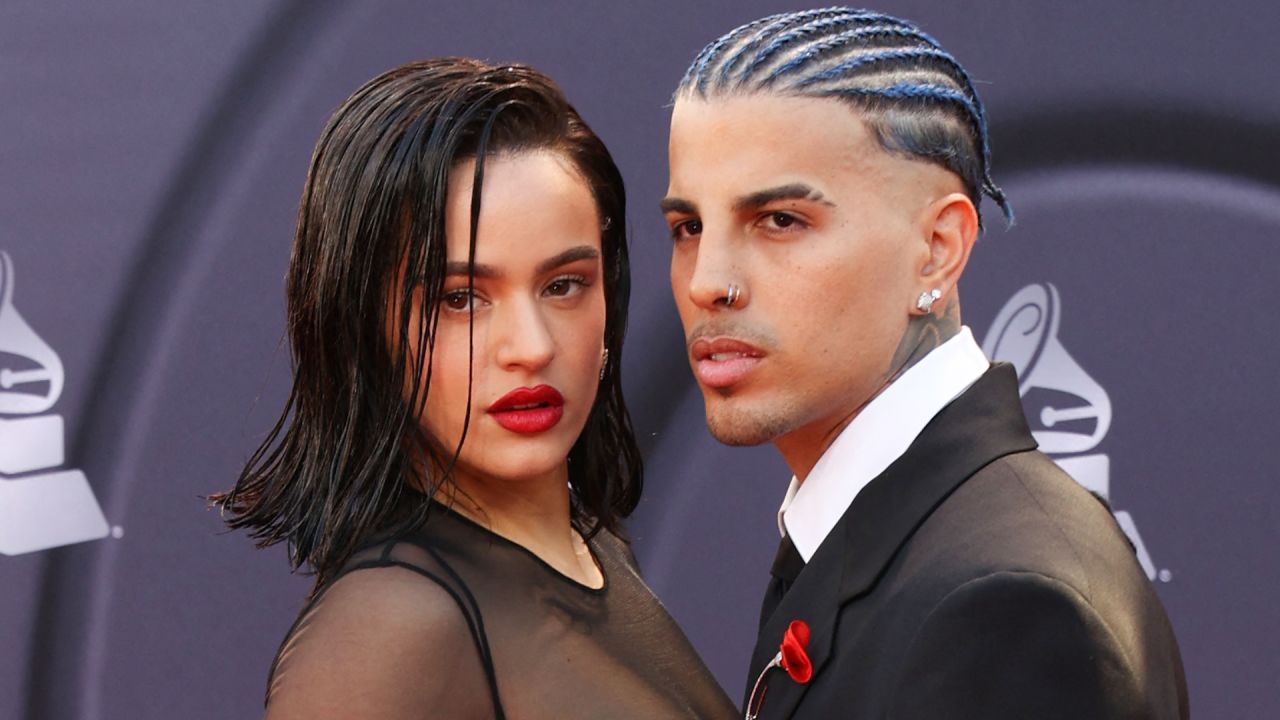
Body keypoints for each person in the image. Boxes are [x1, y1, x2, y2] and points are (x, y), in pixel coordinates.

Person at [662, 8, 1188, 719]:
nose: (707, 281)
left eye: (780, 220)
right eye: (689, 227)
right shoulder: (885, 538)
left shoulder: (1008, 606)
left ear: (938, 248)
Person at [214, 57, 737, 720]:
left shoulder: (589, 547)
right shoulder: (392, 629)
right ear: (360, 329)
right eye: (460, 299)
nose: (531, 347)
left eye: (563, 285)